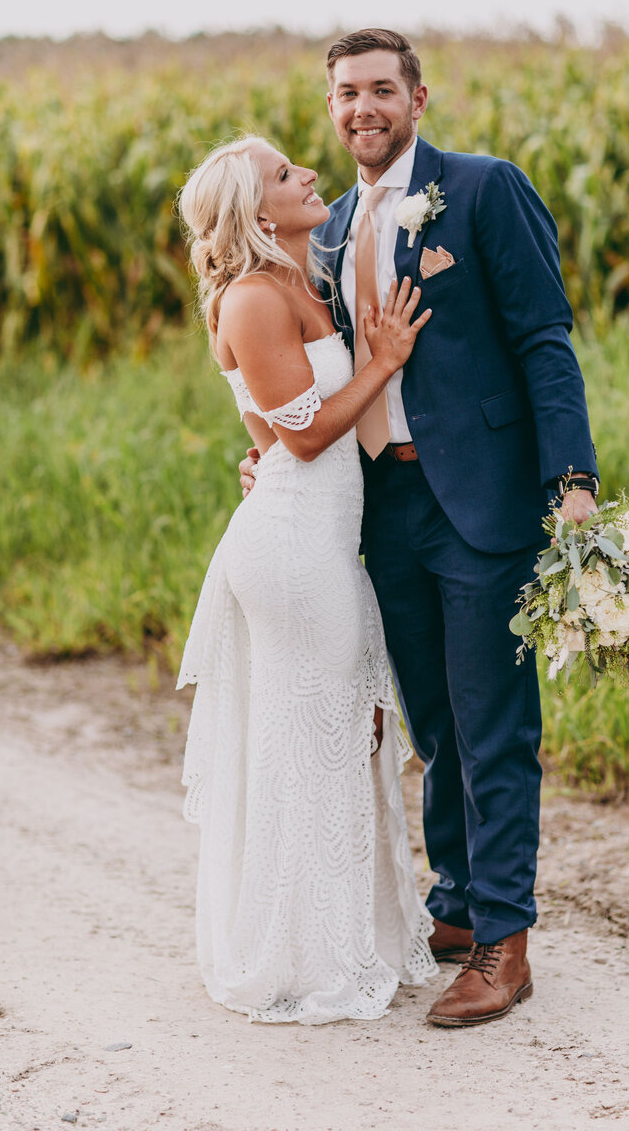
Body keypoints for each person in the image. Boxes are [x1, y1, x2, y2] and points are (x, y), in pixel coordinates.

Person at [240, 29, 599, 1027]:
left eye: (380, 90)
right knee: (432, 724)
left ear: (417, 98)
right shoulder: (328, 226)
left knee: (491, 726)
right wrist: (270, 448)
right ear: (331, 108)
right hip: (380, 507)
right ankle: (455, 904)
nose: (362, 108)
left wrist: (570, 479)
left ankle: (505, 943)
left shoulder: (482, 190)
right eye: (345, 93)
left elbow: (540, 336)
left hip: (479, 498)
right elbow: (312, 380)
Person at [176, 135, 438, 1024]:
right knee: (314, 743)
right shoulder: (252, 296)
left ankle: (337, 935)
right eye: (288, 174)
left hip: (321, 541)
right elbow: (302, 436)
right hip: (291, 551)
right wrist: (384, 362)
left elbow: (265, 429)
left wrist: (264, 459)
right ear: (258, 212)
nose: (309, 175)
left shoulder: (300, 278)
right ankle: (300, 954)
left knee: (341, 735)